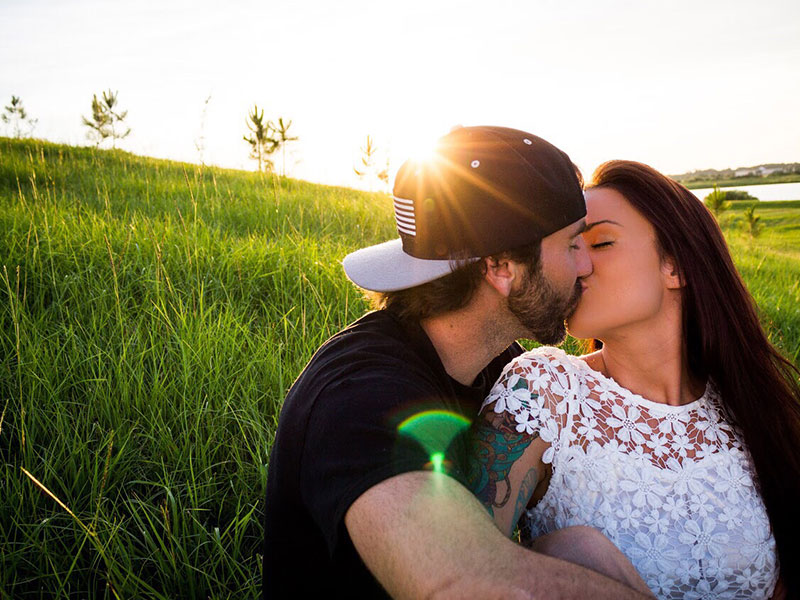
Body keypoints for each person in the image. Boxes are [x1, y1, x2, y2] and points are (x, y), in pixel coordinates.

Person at [263, 127, 654, 598]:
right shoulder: (359, 394)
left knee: (582, 549)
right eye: (572, 245)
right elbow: (463, 584)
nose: (585, 266)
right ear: (502, 267)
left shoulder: (498, 365)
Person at [469, 160, 800, 599]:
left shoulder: (752, 411)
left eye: (600, 242)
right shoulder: (543, 391)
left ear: (676, 266)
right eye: (570, 246)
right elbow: (459, 568)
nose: (577, 266)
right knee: (577, 550)